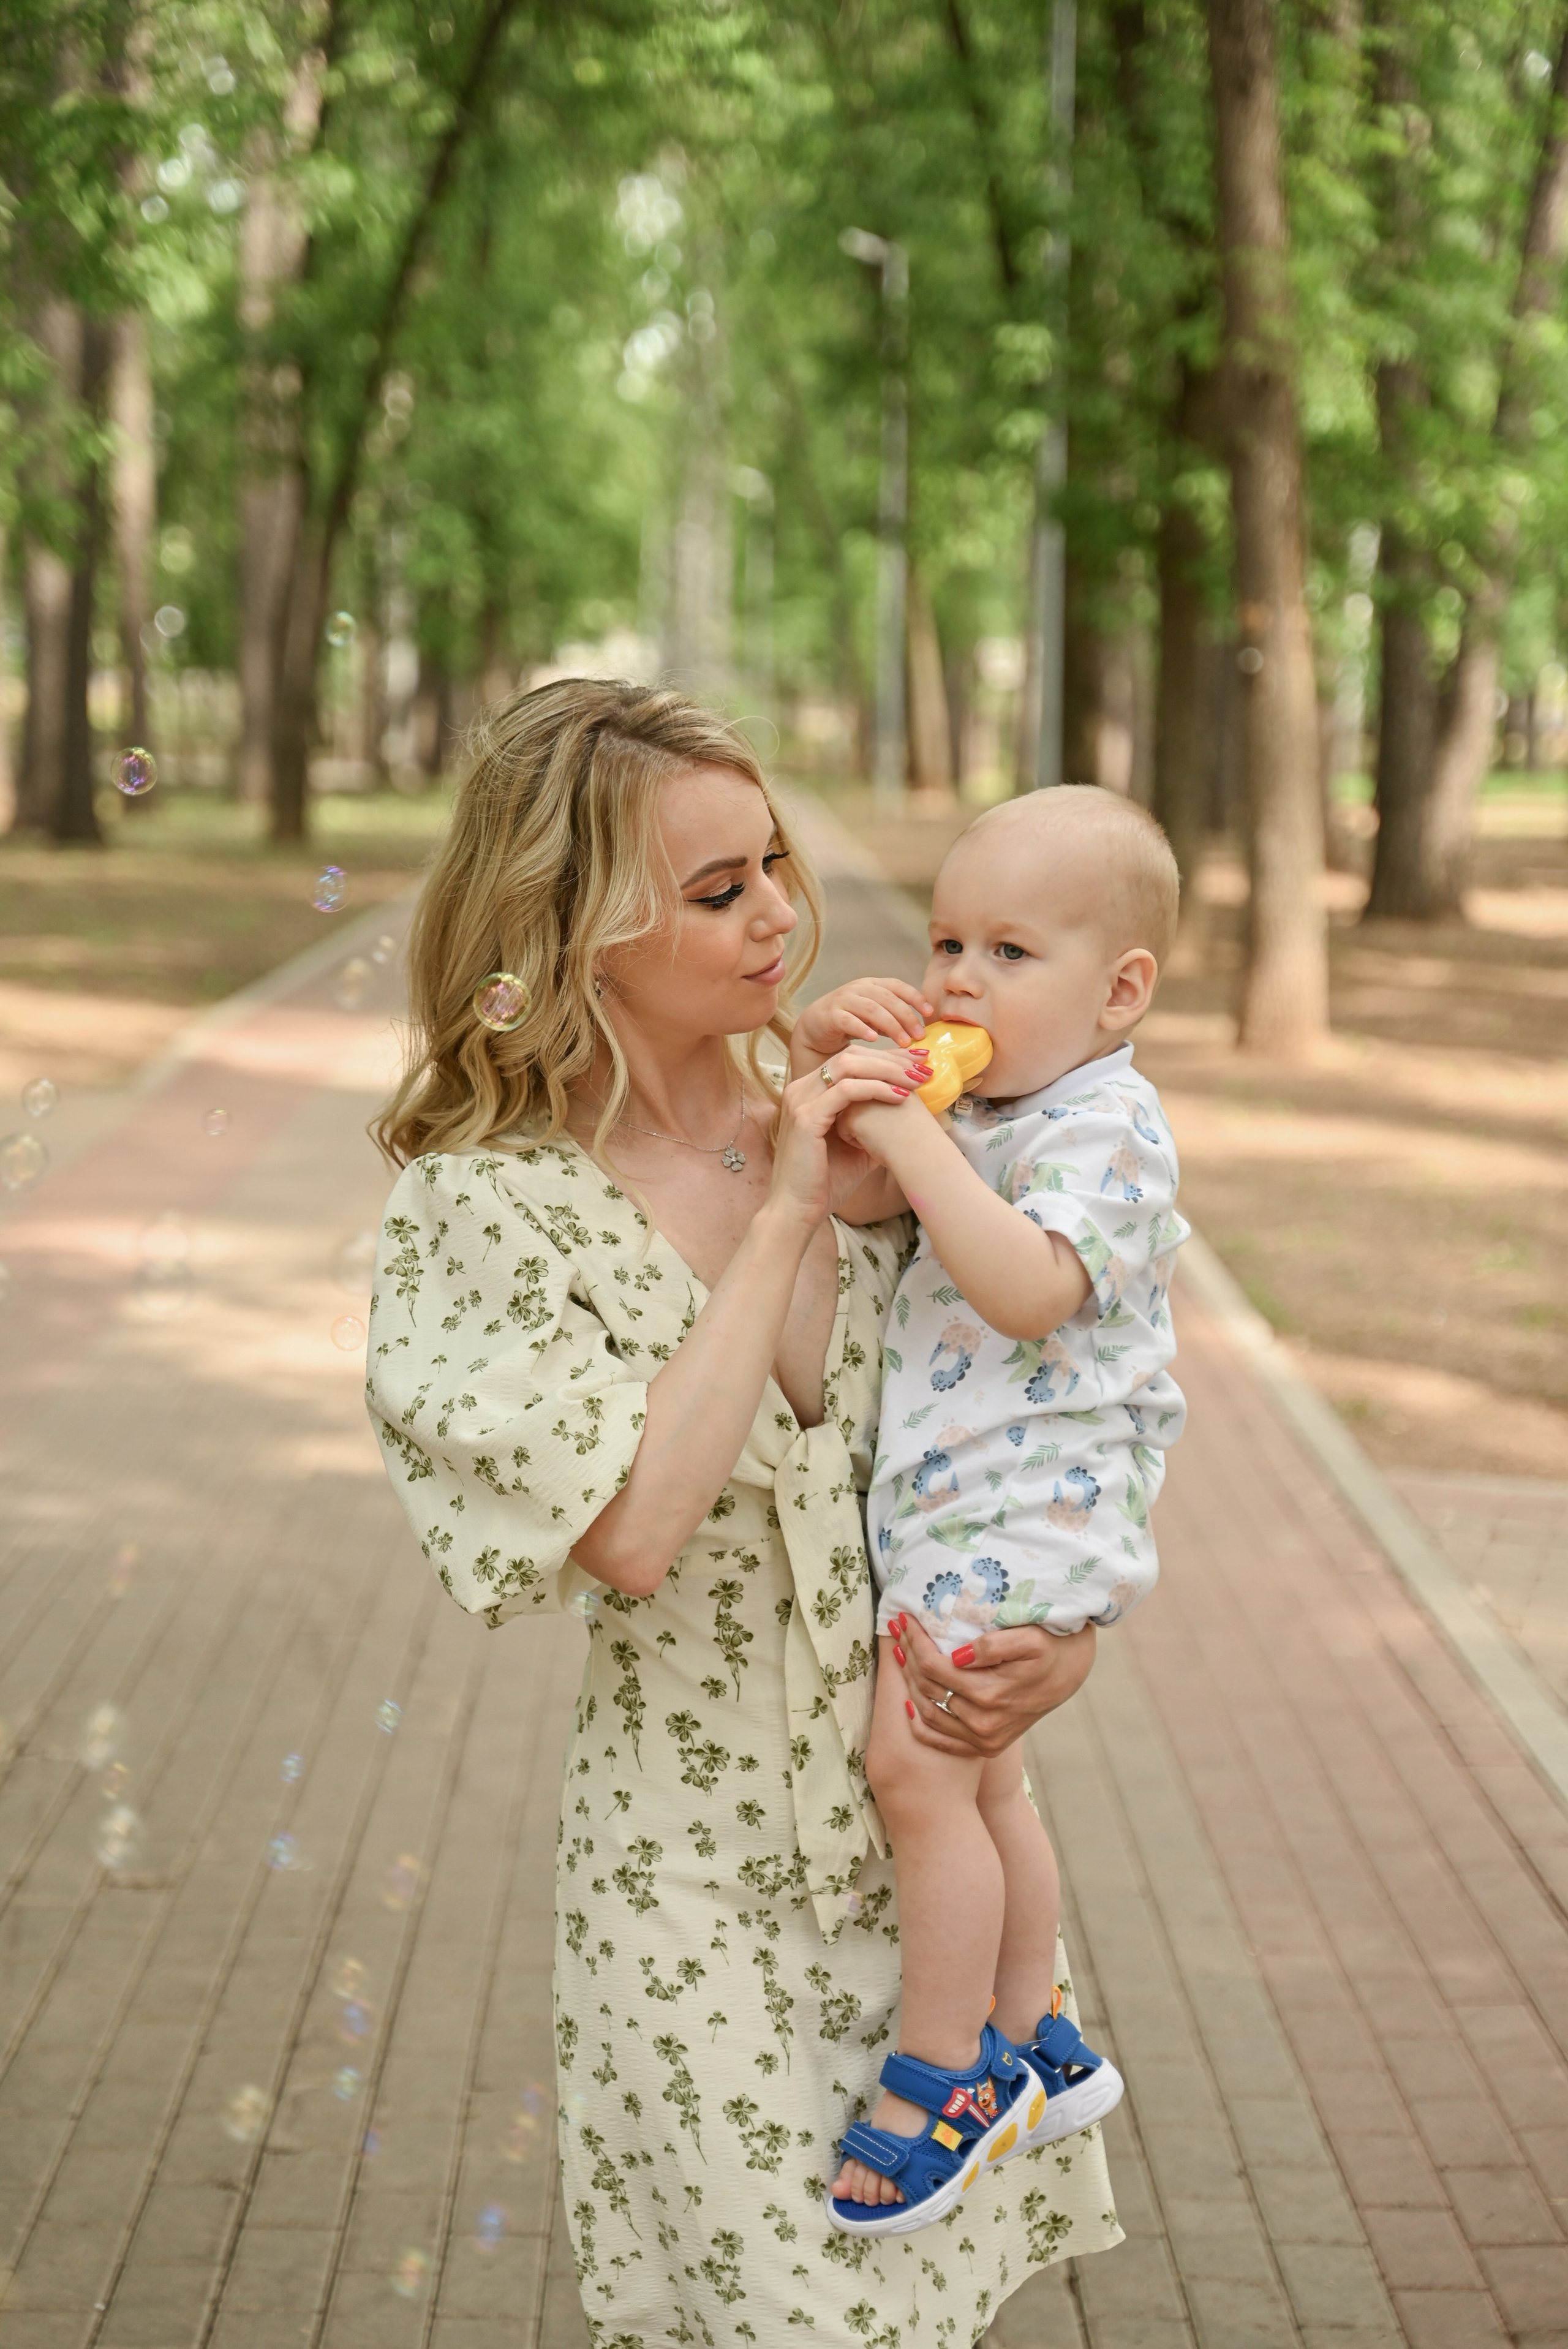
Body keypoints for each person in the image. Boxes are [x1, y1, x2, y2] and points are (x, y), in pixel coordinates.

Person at [366, 681, 1123, 2344]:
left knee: (914, 2313)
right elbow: (631, 1530)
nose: (782, 909)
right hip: (693, 1884)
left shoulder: (894, 1121)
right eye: (719, 890)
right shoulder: (488, 1215)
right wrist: (785, 1205)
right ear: (575, 931)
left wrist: (1060, 1644)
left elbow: (1058, 1409)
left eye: (773, 859)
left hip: (925, 1868)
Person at [793, 788, 1188, 2233]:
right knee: (985, 1782)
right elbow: (854, 1205)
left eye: (1008, 952)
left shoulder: (1110, 1128)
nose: (958, 976)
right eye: (947, 937)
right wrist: (843, 1081)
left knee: (915, 1778)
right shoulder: (1004, 1107)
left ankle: (942, 2073)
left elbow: (1026, 1288)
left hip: (1021, 1515)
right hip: (969, 1506)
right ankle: (1038, 2032)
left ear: (1117, 990)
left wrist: (911, 1143)